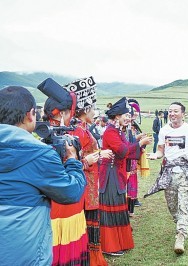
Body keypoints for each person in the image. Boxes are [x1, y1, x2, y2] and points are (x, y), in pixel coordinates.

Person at [0, 86, 86, 265]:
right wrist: (72, 161)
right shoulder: (40, 154)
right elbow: (71, 192)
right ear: (30, 114)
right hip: (25, 251)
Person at [146, 102, 188, 254]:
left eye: (175, 111)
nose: (172, 114)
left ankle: (181, 236)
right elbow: (160, 150)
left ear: (183, 113)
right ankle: (181, 225)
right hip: (168, 174)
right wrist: (155, 155)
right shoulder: (164, 130)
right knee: (172, 206)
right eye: (170, 111)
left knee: (184, 204)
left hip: (185, 174)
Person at [39, 78, 90, 265]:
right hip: (63, 203)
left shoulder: (38, 138)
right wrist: (82, 161)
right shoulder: (64, 139)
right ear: (62, 113)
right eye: (70, 113)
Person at [65, 77, 114, 265]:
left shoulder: (83, 128)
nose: (95, 112)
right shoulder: (77, 130)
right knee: (87, 223)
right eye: (93, 108)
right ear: (85, 109)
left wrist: (99, 153)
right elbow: (72, 158)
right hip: (85, 183)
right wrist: (89, 159)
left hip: (91, 181)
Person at [99, 97, 152, 256]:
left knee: (118, 208)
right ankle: (109, 246)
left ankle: (119, 242)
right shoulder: (110, 132)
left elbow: (126, 147)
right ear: (116, 116)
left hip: (117, 174)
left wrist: (136, 142)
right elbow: (123, 151)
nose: (128, 118)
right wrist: (140, 144)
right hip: (110, 176)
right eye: (125, 115)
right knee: (111, 209)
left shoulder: (117, 131)